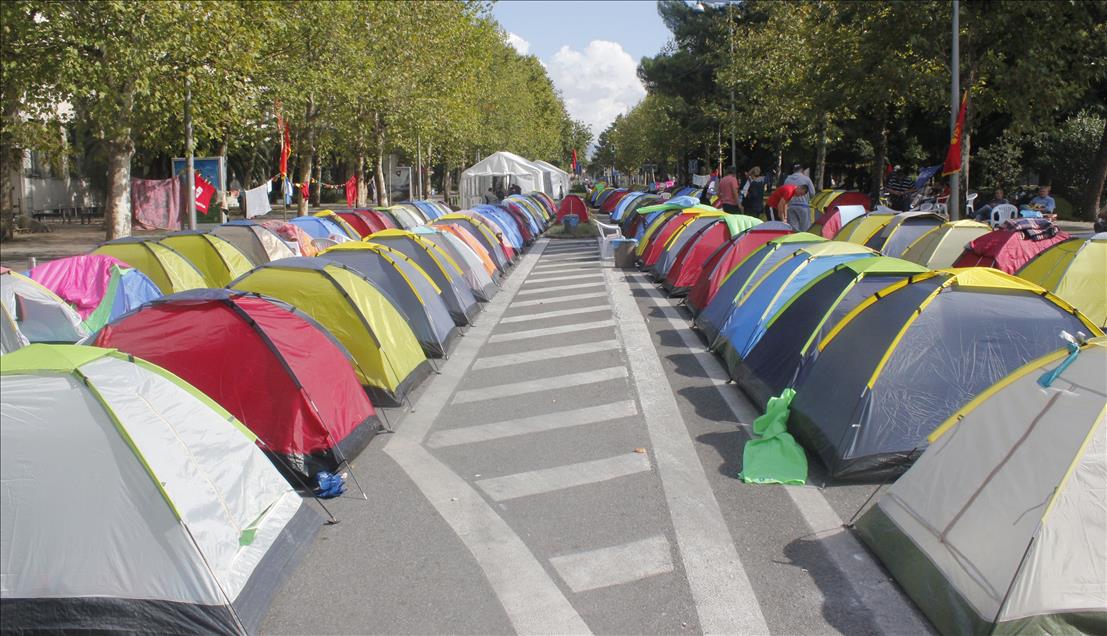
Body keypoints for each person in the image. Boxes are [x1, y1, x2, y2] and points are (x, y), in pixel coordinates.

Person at [784, 164, 817, 229]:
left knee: (793, 228)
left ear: (793, 170)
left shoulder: (787, 179)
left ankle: (795, 239)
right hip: (803, 206)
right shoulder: (806, 179)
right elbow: (813, 193)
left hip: (791, 206)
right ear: (802, 170)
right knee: (805, 228)